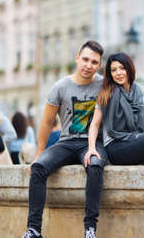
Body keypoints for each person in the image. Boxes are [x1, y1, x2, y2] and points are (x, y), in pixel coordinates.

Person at [22, 41, 107, 238]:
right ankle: (34, 229)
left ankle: (90, 228)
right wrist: (39, 154)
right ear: (77, 58)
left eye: (94, 62)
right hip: (66, 142)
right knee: (38, 168)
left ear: (99, 64)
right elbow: (46, 122)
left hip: (93, 144)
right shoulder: (61, 86)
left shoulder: (104, 85)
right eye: (85, 59)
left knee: (95, 166)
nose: (88, 65)